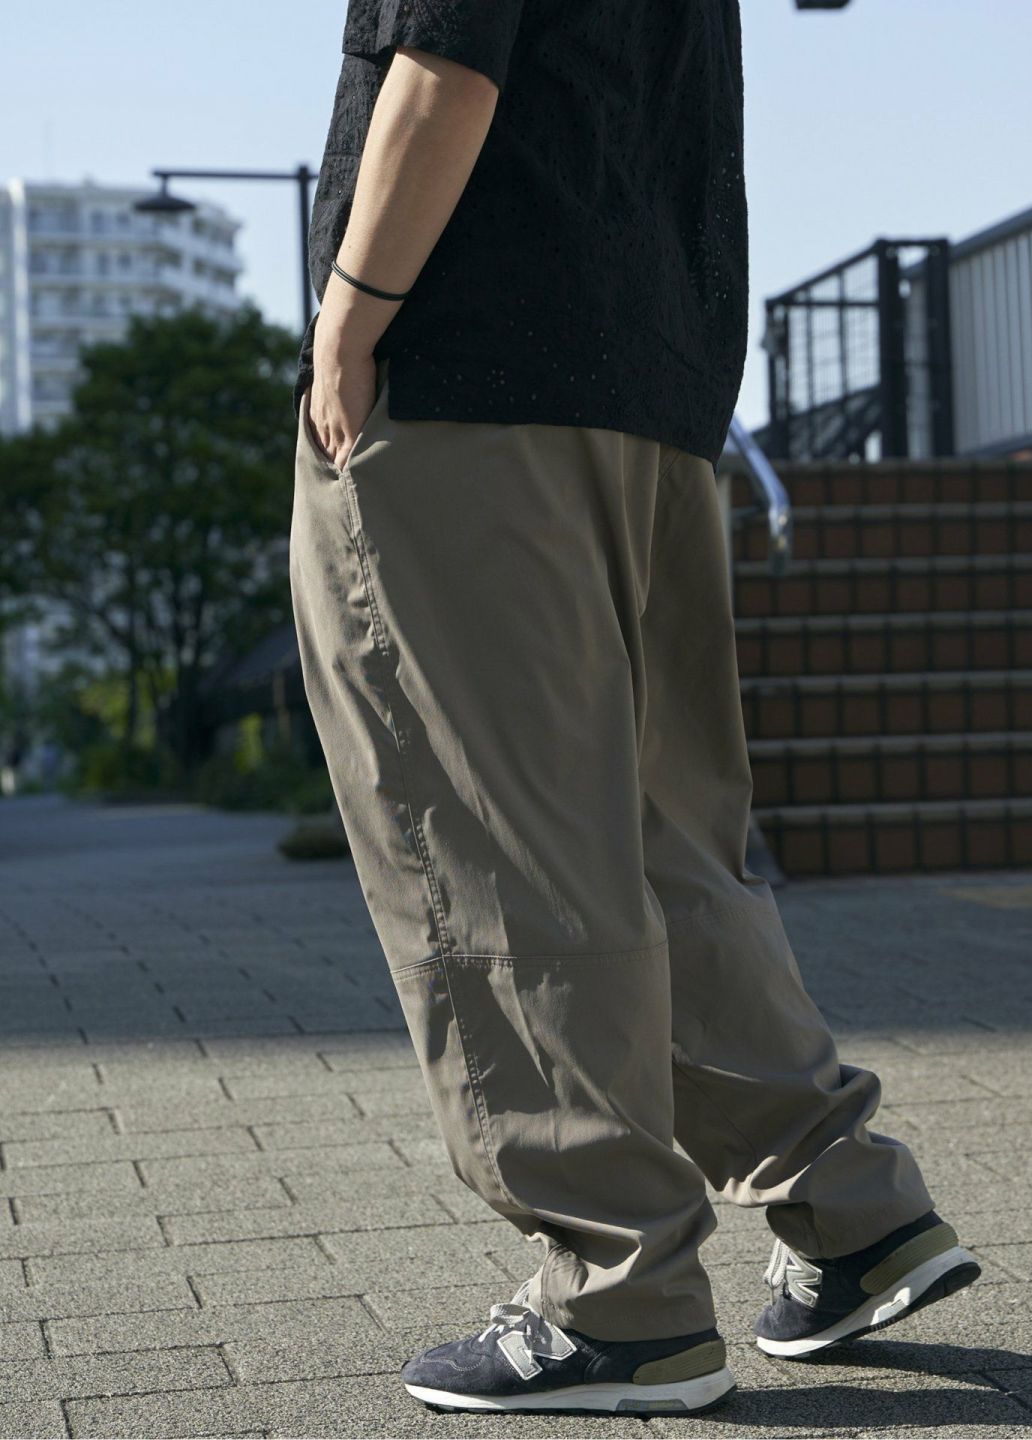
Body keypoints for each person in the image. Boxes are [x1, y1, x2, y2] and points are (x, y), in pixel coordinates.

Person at [289, 0, 980, 1417]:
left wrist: (349, 318)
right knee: (665, 842)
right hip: (650, 378)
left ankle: (623, 1297)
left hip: (470, 374)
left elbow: (445, 61)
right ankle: (849, 1208)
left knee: (495, 842)